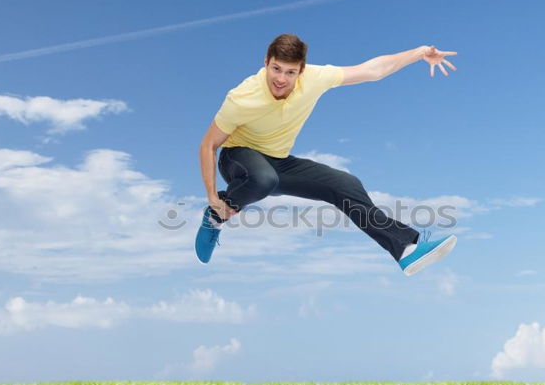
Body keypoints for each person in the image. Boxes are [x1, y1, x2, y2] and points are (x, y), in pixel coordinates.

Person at [196, 34, 457, 276]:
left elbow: (373, 70)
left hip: (278, 161)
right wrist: (211, 197)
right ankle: (216, 215)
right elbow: (208, 145)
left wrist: (420, 52)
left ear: (302, 70)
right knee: (263, 179)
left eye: (290, 72)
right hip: (238, 158)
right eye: (275, 69)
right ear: (266, 62)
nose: (281, 79)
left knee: (345, 184)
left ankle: (404, 248)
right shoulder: (242, 97)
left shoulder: (315, 78)